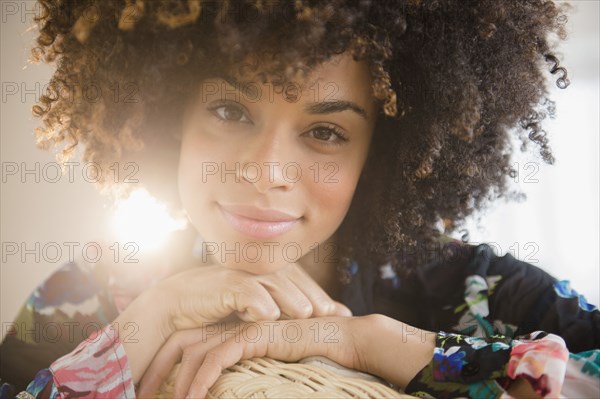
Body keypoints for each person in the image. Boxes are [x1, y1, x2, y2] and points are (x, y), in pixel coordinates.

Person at [1, 1, 599, 398]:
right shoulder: (94, 288)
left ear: (380, 154)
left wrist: (375, 344)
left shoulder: (472, 288)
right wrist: (152, 315)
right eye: (230, 111)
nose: (266, 172)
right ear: (168, 116)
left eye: (326, 132)